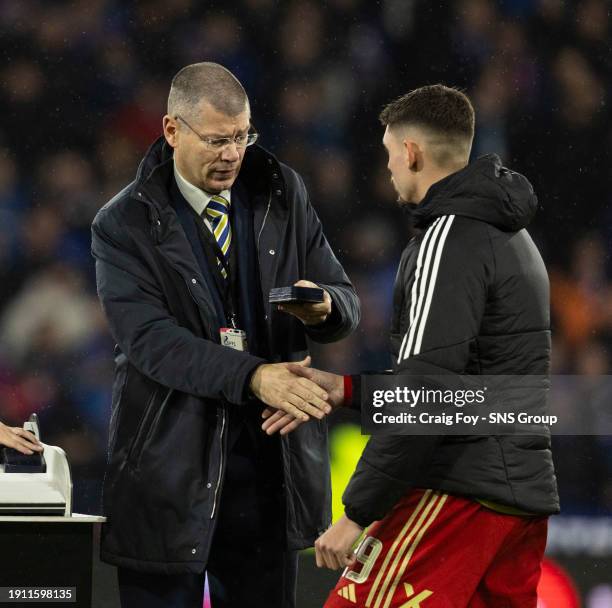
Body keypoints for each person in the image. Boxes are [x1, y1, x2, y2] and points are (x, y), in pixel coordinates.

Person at [263, 84, 559, 607]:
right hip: (516, 499)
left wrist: (357, 512)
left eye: (388, 154)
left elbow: (429, 390)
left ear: (412, 152)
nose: (389, 170)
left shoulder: (450, 237)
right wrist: (349, 390)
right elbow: (474, 390)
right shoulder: (513, 236)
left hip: (456, 495)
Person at [91, 62, 360, 608]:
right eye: (216, 140)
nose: (233, 154)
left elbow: (345, 299)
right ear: (171, 131)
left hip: (268, 478)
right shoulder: (122, 226)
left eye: (242, 136)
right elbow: (152, 343)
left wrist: (326, 308)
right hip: (167, 480)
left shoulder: (283, 191)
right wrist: (255, 376)